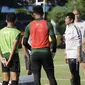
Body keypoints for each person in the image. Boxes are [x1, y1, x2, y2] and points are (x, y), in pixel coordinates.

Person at [23, 5, 57, 85]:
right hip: (46, 52)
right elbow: (54, 40)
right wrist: (53, 52)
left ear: (34, 13)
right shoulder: (48, 24)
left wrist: (32, 49)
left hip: (34, 54)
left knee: (36, 79)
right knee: (51, 77)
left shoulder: (29, 25)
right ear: (43, 13)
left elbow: (24, 42)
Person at [0, 13, 20, 85]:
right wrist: (10, 59)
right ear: (15, 21)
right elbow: (14, 47)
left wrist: (1, 57)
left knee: (5, 79)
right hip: (13, 56)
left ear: (6, 20)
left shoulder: (0, 32)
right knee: (14, 79)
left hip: (4, 56)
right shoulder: (17, 32)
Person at [64, 12, 82, 85]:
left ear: (71, 20)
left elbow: (79, 42)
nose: (65, 20)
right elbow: (67, 42)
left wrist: (79, 55)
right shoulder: (67, 28)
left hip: (75, 54)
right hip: (69, 54)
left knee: (75, 74)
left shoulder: (75, 28)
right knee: (72, 73)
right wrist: (65, 53)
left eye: (66, 18)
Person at [73, 9, 85, 75]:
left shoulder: (84, 23)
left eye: (77, 14)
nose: (76, 16)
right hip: (74, 49)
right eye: (74, 14)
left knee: (84, 66)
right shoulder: (71, 24)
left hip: (83, 48)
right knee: (73, 69)